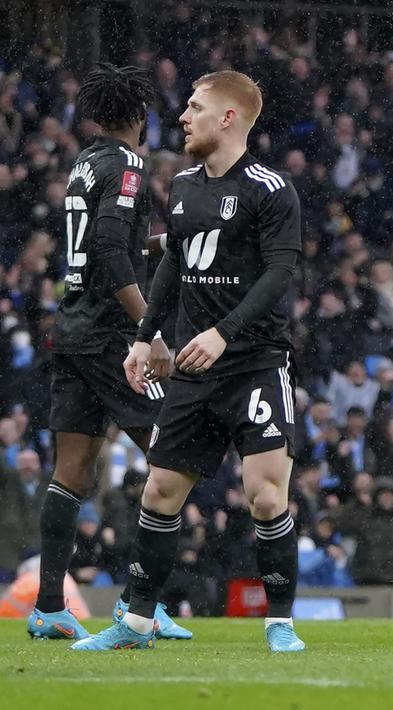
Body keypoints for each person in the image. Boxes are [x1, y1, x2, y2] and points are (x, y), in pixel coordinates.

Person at [76, 71, 305, 652]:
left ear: (228, 118)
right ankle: (135, 624)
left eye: (195, 107)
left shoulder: (271, 189)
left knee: (266, 496)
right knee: (158, 493)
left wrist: (224, 334)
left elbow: (280, 273)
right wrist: (143, 336)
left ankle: (279, 623)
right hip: (195, 370)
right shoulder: (180, 186)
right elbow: (173, 267)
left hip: (253, 362)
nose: (182, 117)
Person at [28, 63, 191, 643]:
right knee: (173, 454)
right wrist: (150, 330)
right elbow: (106, 248)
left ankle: (49, 606)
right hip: (109, 338)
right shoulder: (126, 165)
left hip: (71, 331)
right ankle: (138, 604)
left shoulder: (83, 165)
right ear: (140, 119)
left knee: (71, 471)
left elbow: (108, 243)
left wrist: (163, 242)